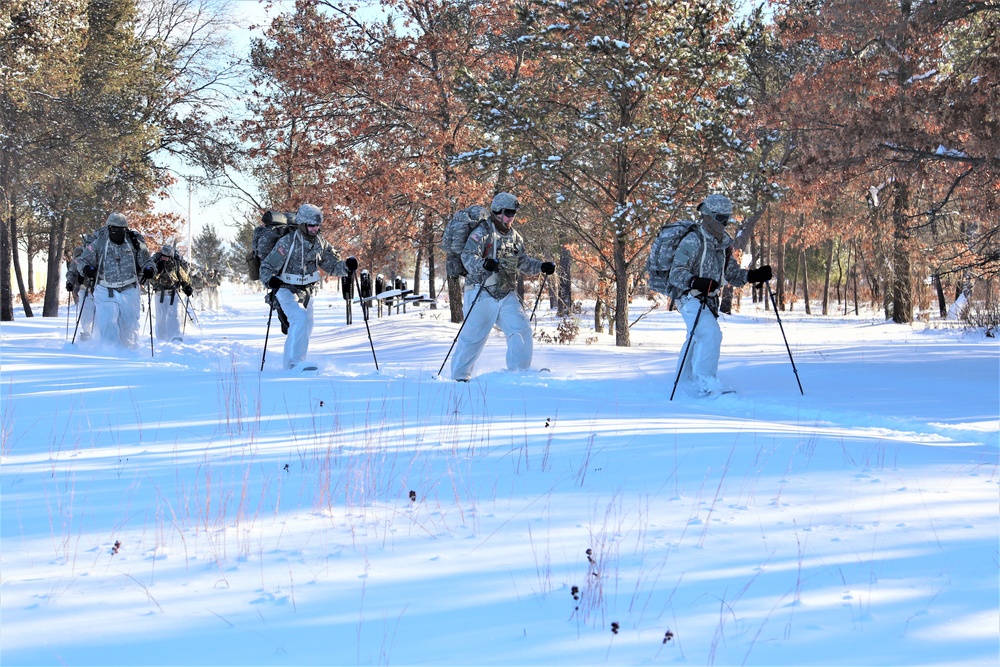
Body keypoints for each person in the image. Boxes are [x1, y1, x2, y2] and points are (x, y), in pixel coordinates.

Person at [667, 194, 772, 397]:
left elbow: (732, 274)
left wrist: (754, 275)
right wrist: (695, 281)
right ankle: (706, 385)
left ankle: (684, 382)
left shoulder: (722, 244)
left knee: (697, 336)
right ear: (707, 216)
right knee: (710, 334)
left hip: (709, 300)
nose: (725, 223)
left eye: (727, 218)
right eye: (720, 218)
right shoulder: (693, 240)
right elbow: (675, 273)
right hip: (688, 297)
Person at [451, 192, 556, 382]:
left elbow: (521, 261)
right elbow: (467, 257)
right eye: (508, 213)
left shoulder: (515, 236)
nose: (510, 217)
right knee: (474, 337)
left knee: (521, 329)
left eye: (513, 213)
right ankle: (459, 377)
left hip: (505, 292)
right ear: (497, 211)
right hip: (481, 290)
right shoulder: (482, 232)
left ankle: (518, 374)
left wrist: (541, 266)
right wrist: (484, 264)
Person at [258, 203, 357, 370]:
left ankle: (290, 366)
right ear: (302, 224)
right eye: (311, 225)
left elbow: (332, 266)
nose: (315, 229)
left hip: (307, 291)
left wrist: (347, 266)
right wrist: (271, 280)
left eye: (317, 225)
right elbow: (266, 267)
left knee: (305, 327)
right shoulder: (287, 243)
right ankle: (296, 364)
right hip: (285, 288)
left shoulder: (320, 243)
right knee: (300, 318)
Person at [76, 212, 155, 348]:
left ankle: (129, 353)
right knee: (107, 323)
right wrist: (86, 269)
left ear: (125, 229)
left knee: (129, 326)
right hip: (105, 289)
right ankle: (110, 353)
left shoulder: (134, 241)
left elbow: (146, 259)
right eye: (114, 229)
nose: (117, 232)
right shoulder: (99, 241)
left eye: (121, 230)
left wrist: (150, 269)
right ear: (108, 228)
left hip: (129, 289)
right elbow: (82, 260)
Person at [149, 244, 193, 341]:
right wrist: (158, 270)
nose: (165, 259)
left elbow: (183, 277)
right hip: (160, 293)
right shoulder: (155, 264)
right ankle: (161, 337)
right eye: (163, 256)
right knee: (161, 317)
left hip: (174, 293)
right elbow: (151, 279)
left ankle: (174, 336)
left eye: (167, 257)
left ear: (171, 257)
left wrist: (187, 286)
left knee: (174, 314)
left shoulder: (176, 264)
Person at [66, 233, 96, 340]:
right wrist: (70, 282)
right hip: (85, 289)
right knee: (86, 315)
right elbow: (72, 271)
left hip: (100, 289)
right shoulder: (79, 257)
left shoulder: (102, 254)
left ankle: (99, 336)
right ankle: (86, 335)